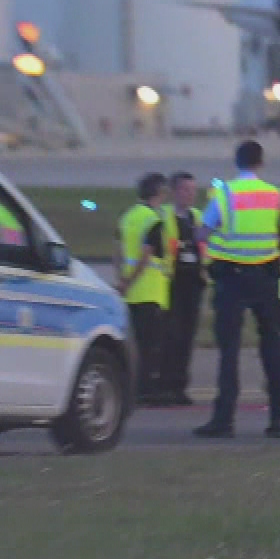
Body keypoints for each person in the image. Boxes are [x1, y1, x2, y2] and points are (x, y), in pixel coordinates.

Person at [194, 140, 280, 438]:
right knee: (272, 346)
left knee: (230, 350)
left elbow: (203, 232)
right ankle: (278, 418)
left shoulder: (224, 194)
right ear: (261, 162)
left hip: (232, 278)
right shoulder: (277, 195)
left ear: (236, 161)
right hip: (266, 276)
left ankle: (224, 420)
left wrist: (201, 235)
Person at [116, 172, 174, 404]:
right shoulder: (153, 220)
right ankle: (146, 390)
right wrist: (131, 280)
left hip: (131, 293)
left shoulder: (128, 216)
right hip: (151, 292)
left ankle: (132, 388)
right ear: (158, 192)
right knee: (150, 346)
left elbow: (118, 251)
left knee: (135, 343)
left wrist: (122, 280)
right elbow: (147, 255)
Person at [158, 171, 205, 406]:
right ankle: (164, 385)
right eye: (185, 190)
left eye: (193, 190)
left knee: (187, 335)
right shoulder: (164, 216)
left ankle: (179, 385)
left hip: (193, 282)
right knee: (170, 335)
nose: (190, 195)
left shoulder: (197, 217)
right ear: (174, 191)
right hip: (172, 282)